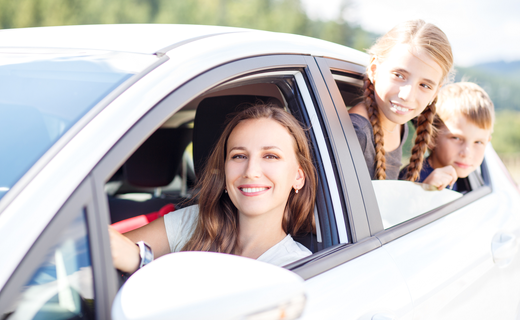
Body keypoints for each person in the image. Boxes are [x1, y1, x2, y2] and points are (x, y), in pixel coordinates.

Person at [109, 104, 317, 274]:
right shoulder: (194, 221)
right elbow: (108, 252)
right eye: (239, 156)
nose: (251, 171)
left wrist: (141, 262)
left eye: (271, 156)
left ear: (298, 177)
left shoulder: (296, 267)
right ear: (225, 172)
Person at [348, 19, 454, 181]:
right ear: (374, 69)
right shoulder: (357, 133)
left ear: (435, 93)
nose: (407, 95)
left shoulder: (399, 125)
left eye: (424, 85)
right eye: (399, 76)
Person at [399, 82, 495, 190]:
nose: (467, 153)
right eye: (456, 138)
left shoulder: (457, 176)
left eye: (478, 142)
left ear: (487, 142)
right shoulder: (413, 178)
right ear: (431, 138)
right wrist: (425, 190)